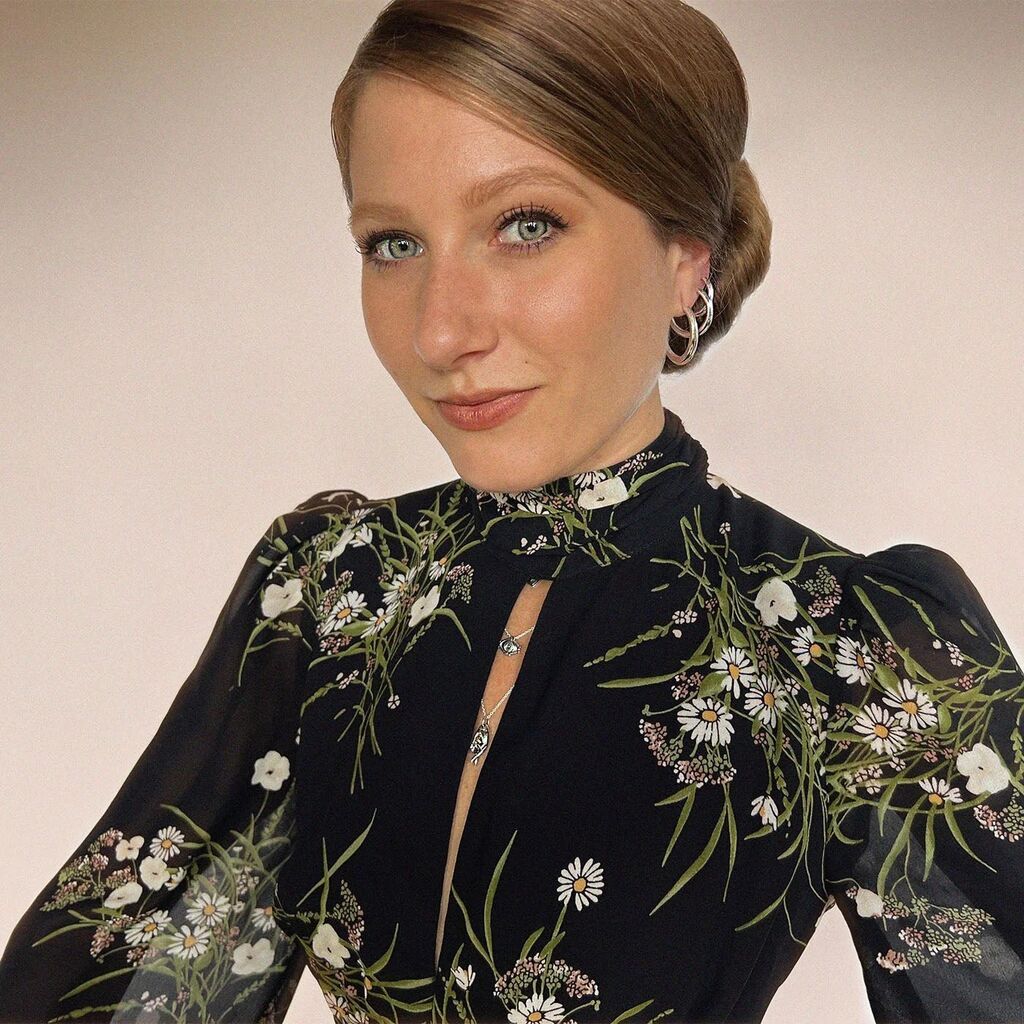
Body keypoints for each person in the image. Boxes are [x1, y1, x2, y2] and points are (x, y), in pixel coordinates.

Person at [2, 0, 1021, 1021]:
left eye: (526, 226)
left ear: (687, 257)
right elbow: (98, 985)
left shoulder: (846, 642)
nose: (440, 331)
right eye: (393, 243)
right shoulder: (325, 588)